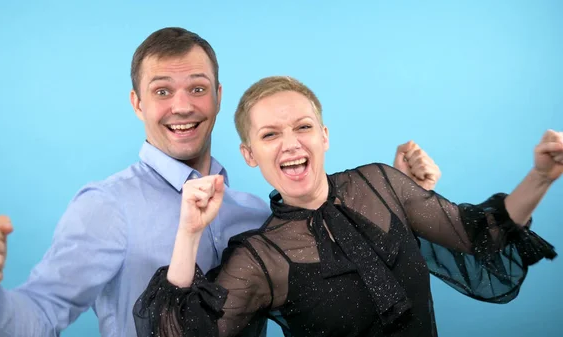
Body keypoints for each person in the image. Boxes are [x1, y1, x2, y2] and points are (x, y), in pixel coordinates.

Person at [0, 28, 441, 337]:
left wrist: (403, 197)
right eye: (161, 91)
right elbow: (42, 314)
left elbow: (346, 270)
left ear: (217, 96)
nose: (182, 106)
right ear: (137, 103)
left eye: (196, 88)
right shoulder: (106, 207)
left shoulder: (255, 211)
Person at [133, 76, 560, 337]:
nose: (291, 143)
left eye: (303, 127)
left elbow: (479, 233)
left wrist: (541, 175)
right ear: (250, 155)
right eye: (270, 135)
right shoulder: (259, 258)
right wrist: (188, 232)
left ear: (324, 136)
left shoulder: (381, 185)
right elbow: (180, 334)